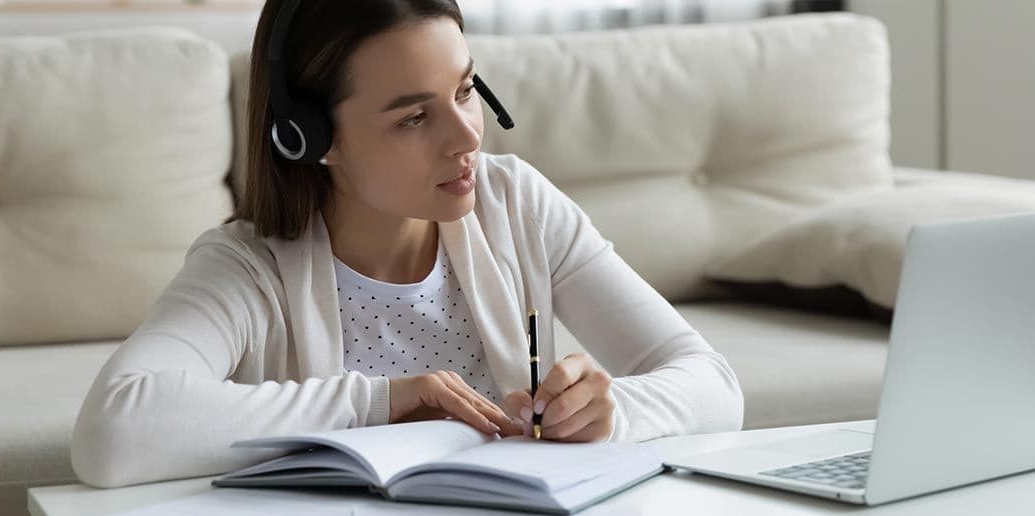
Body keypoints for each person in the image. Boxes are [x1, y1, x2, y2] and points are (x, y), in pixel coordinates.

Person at [70, 0, 744, 489]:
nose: (467, 138)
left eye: (465, 91)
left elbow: (714, 385)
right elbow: (115, 433)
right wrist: (380, 402)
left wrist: (610, 413)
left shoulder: (518, 205)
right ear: (310, 137)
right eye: (416, 116)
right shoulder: (248, 267)